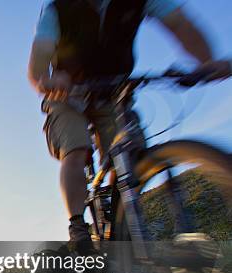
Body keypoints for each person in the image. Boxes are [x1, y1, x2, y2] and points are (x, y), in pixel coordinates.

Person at [28, 0, 231, 243]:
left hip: (114, 92)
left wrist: (207, 62)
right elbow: (39, 60)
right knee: (76, 150)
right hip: (67, 95)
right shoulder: (58, 10)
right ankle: (78, 227)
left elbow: (180, 25)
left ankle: (120, 216)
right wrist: (46, 80)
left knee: (133, 153)